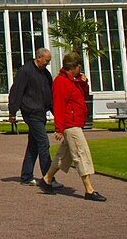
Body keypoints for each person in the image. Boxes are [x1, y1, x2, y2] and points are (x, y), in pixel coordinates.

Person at [39, 52, 107, 201]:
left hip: (74, 122)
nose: (80, 69)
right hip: (71, 124)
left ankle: (47, 179)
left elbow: (82, 96)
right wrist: (59, 128)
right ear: (73, 67)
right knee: (81, 154)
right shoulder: (61, 82)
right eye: (79, 66)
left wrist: (83, 83)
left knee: (63, 156)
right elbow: (59, 104)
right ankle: (89, 189)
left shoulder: (73, 81)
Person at [8, 47, 54, 185]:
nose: (48, 64)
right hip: (31, 113)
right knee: (43, 143)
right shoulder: (25, 71)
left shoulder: (45, 74)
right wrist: (12, 112)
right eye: (46, 61)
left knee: (33, 145)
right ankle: (48, 177)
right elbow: (16, 91)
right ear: (38, 58)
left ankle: (26, 176)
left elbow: (49, 95)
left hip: (40, 112)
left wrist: (55, 111)